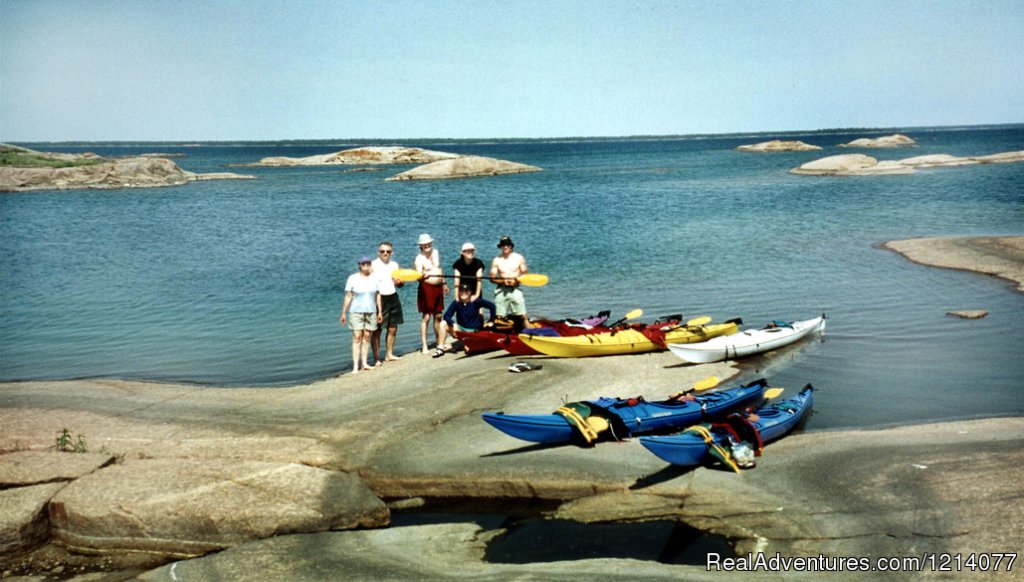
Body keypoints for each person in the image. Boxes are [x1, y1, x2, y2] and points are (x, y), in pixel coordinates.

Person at [340, 256, 382, 374]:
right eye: (363, 264)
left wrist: (380, 311)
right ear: (359, 265)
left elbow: (378, 295)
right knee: (357, 337)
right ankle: (355, 365)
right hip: (356, 311)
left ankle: (364, 363)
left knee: (367, 337)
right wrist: (343, 312)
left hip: (371, 311)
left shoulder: (374, 278)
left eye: (368, 263)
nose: (366, 266)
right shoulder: (352, 278)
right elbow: (348, 296)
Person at [414, 233, 449, 355]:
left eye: (428, 243)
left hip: (438, 287)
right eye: (424, 244)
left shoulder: (436, 252)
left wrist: (444, 283)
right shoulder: (419, 258)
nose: (427, 245)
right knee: (427, 317)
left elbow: (439, 269)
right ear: (421, 246)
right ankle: (424, 345)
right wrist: (423, 276)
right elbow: (418, 277)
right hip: (426, 287)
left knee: (438, 315)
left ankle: (439, 341)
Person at [370, 241, 403, 365]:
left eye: (388, 251)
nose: (385, 253)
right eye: (382, 251)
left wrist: (399, 282)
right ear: (378, 252)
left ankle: (389, 354)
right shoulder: (373, 265)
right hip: (379, 298)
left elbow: (401, 284)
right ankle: (376, 358)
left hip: (393, 296)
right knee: (377, 330)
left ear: (391, 252)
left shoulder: (394, 265)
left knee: (393, 328)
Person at [442, 284, 497, 352]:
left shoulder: (475, 300)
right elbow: (446, 315)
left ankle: (464, 345)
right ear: (459, 292)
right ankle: (440, 347)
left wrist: (491, 320)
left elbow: (492, 306)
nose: (463, 293)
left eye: (466, 291)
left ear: (470, 292)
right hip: (461, 330)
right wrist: (453, 324)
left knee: (468, 350)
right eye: (461, 291)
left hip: (474, 331)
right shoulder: (457, 302)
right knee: (443, 323)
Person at [489, 235, 529, 326]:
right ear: (500, 247)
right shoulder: (496, 260)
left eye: (507, 244)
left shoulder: (519, 258)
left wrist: (517, 281)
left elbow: (525, 274)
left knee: (522, 315)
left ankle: (529, 332)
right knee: (499, 317)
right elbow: (492, 278)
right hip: (501, 289)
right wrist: (503, 281)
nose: (505, 247)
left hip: (515, 289)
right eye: (503, 245)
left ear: (511, 246)